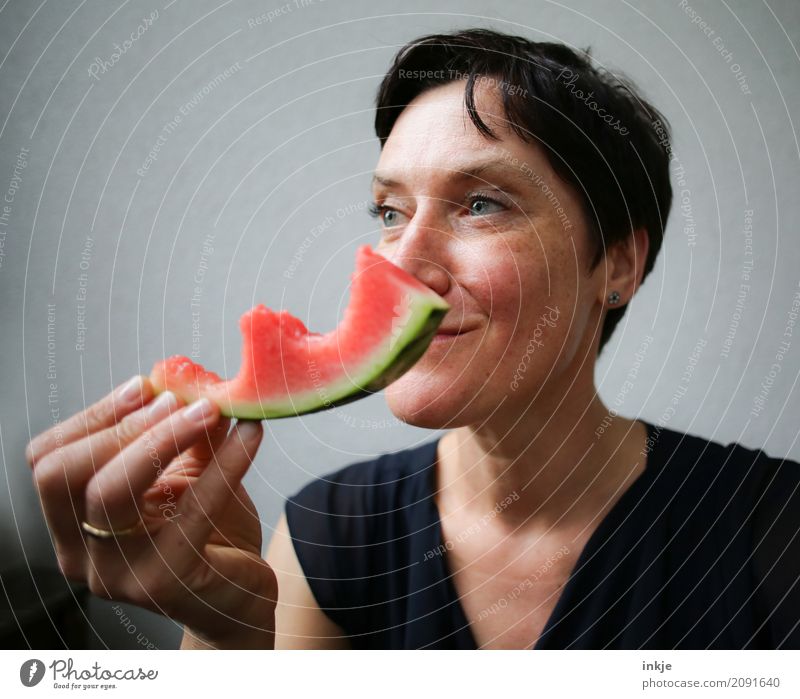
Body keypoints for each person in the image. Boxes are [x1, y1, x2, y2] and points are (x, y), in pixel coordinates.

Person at [25, 29, 800, 650]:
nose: (405, 265)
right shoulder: (329, 533)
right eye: (390, 213)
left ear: (619, 266)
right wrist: (226, 638)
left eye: (483, 203)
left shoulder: (774, 528)